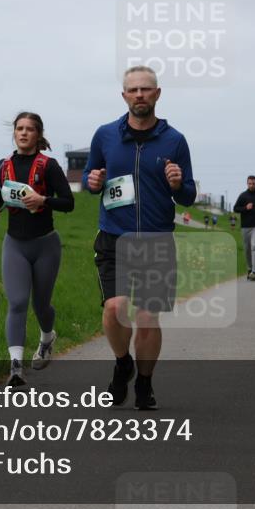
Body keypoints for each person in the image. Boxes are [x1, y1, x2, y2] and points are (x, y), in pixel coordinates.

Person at [83, 66, 196, 411]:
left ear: (157, 94)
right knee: (115, 309)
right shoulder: (105, 135)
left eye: (146, 90)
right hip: (114, 237)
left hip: (156, 240)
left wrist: (178, 184)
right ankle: (122, 364)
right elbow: (90, 175)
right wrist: (92, 181)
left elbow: (189, 196)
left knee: (147, 317)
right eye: (133, 90)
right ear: (124, 96)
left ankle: (144, 385)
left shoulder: (174, 140)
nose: (139, 95)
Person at [0, 112, 74, 387]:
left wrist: (43, 199)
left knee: (41, 304)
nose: (23, 133)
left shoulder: (49, 166)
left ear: (38, 134)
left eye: (29, 129)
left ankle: (47, 337)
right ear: (14, 133)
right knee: (18, 302)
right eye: (19, 129)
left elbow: (68, 202)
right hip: (14, 244)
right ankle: (15, 367)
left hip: (45, 244)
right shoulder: (3, 166)